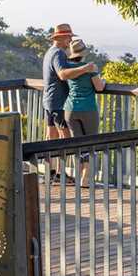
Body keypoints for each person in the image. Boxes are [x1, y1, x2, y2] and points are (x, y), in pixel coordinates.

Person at [42, 23, 96, 181]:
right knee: (64, 137)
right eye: (68, 37)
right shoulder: (58, 54)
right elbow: (63, 74)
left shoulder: (49, 52)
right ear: (61, 38)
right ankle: (60, 173)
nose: (70, 40)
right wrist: (85, 69)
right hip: (59, 101)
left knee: (50, 136)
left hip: (48, 100)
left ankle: (50, 172)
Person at [63, 38, 106, 186]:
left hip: (70, 109)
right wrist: (103, 81)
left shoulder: (68, 68)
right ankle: (86, 178)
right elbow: (99, 87)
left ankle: (78, 174)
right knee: (91, 144)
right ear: (83, 53)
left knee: (78, 144)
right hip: (88, 109)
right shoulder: (90, 68)